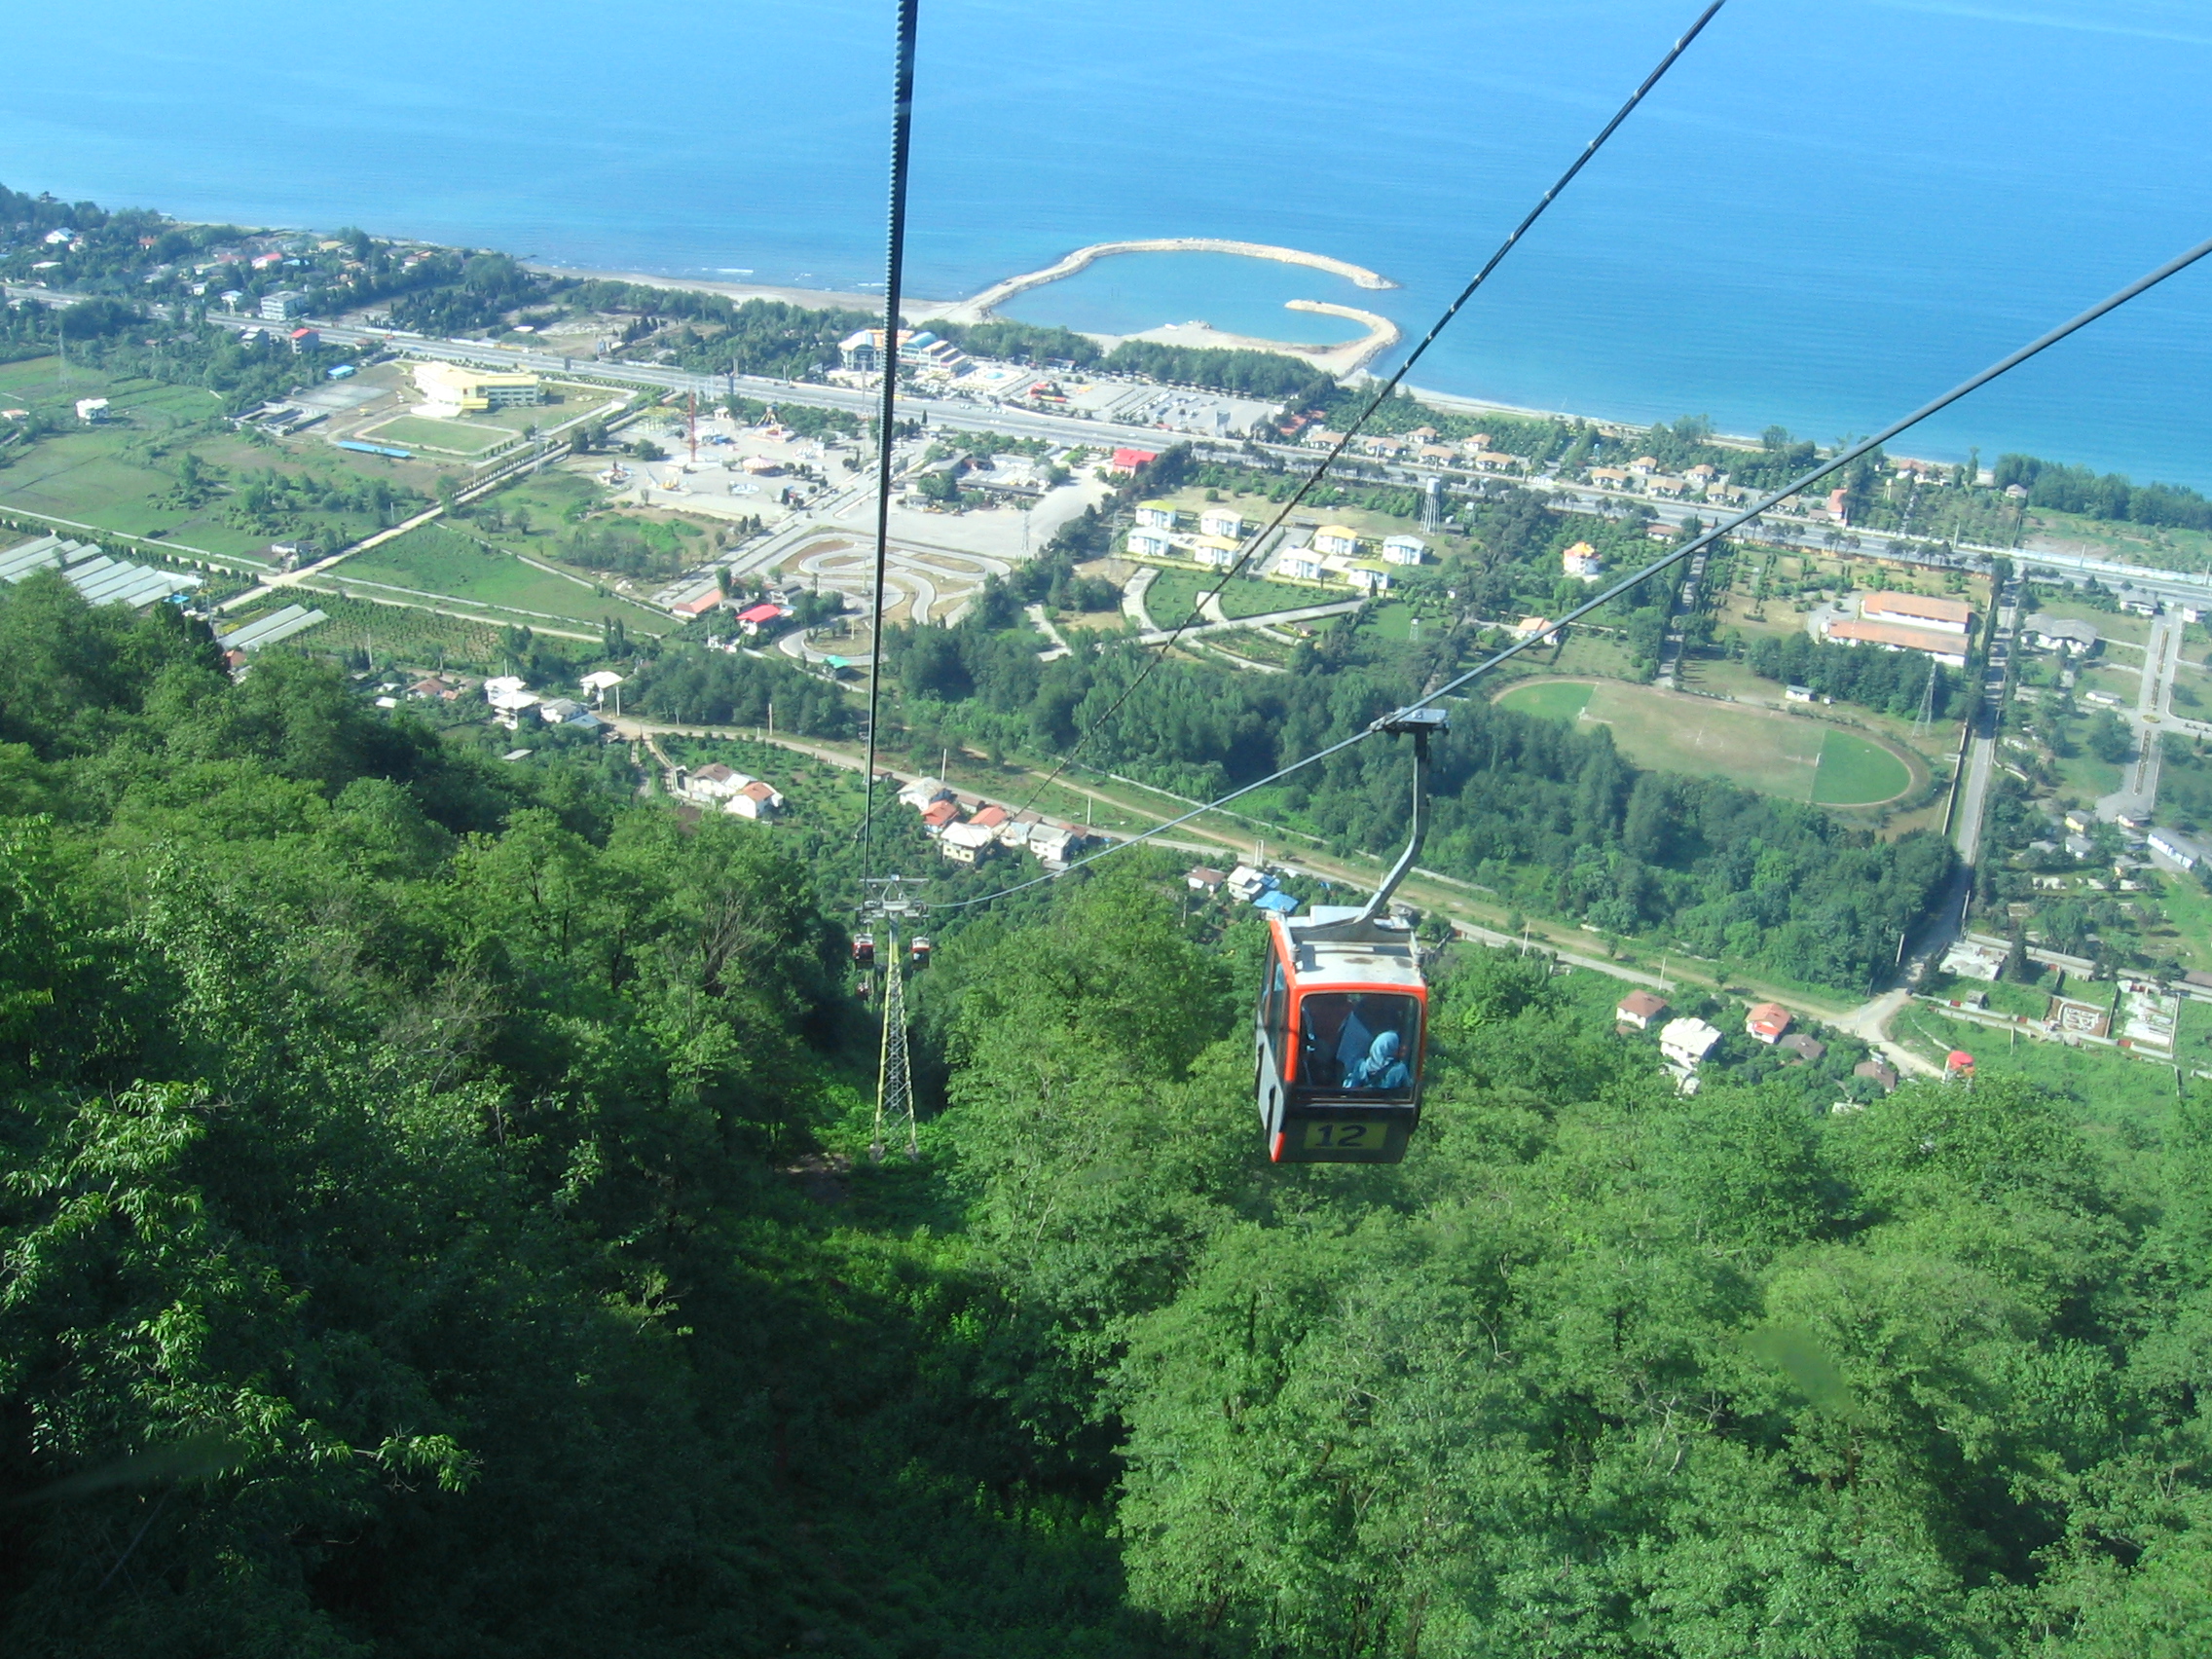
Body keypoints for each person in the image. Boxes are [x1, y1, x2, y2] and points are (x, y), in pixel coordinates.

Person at [1346, 1028, 1410, 1091]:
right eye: (1397, 1045)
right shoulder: (1398, 1069)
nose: (1402, 1048)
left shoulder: (1361, 1066)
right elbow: (1408, 1089)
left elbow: (1351, 1090)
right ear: (1390, 1047)